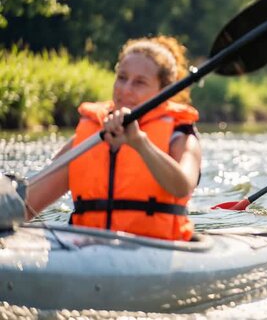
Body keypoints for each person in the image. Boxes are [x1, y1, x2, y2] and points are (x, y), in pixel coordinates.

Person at [20, 36, 202, 241]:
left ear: (164, 91)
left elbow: (182, 188)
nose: (125, 89)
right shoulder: (88, 137)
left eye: (140, 82)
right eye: (122, 77)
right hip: (85, 248)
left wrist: (140, 144)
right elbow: (28, 204)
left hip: (157, 247)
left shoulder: (180, 136)